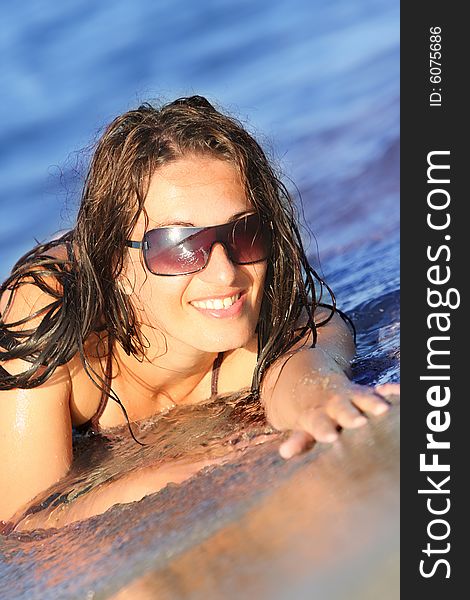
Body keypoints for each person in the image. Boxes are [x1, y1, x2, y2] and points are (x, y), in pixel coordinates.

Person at [0, 96, 397, 529]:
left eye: (244, 232)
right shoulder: (49, 321)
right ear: (114, 261)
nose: (225, 272)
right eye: (179, 245)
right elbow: (21, 522)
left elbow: (304, 372)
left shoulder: (287, 325)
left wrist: (324, 398)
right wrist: (144, 484)